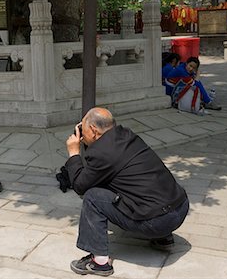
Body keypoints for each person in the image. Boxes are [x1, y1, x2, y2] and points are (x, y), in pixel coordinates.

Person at [65, 108, 189, 277]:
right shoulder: (126, 135)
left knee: (93, 197)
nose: (80, 131)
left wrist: (73, 154)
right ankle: (164, 238)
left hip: (158, 222)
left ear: (93, 130)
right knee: (138, 185)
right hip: (180, 207)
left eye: (83, 127)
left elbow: (80, 186)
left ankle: (99, 262)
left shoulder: (102, 154)